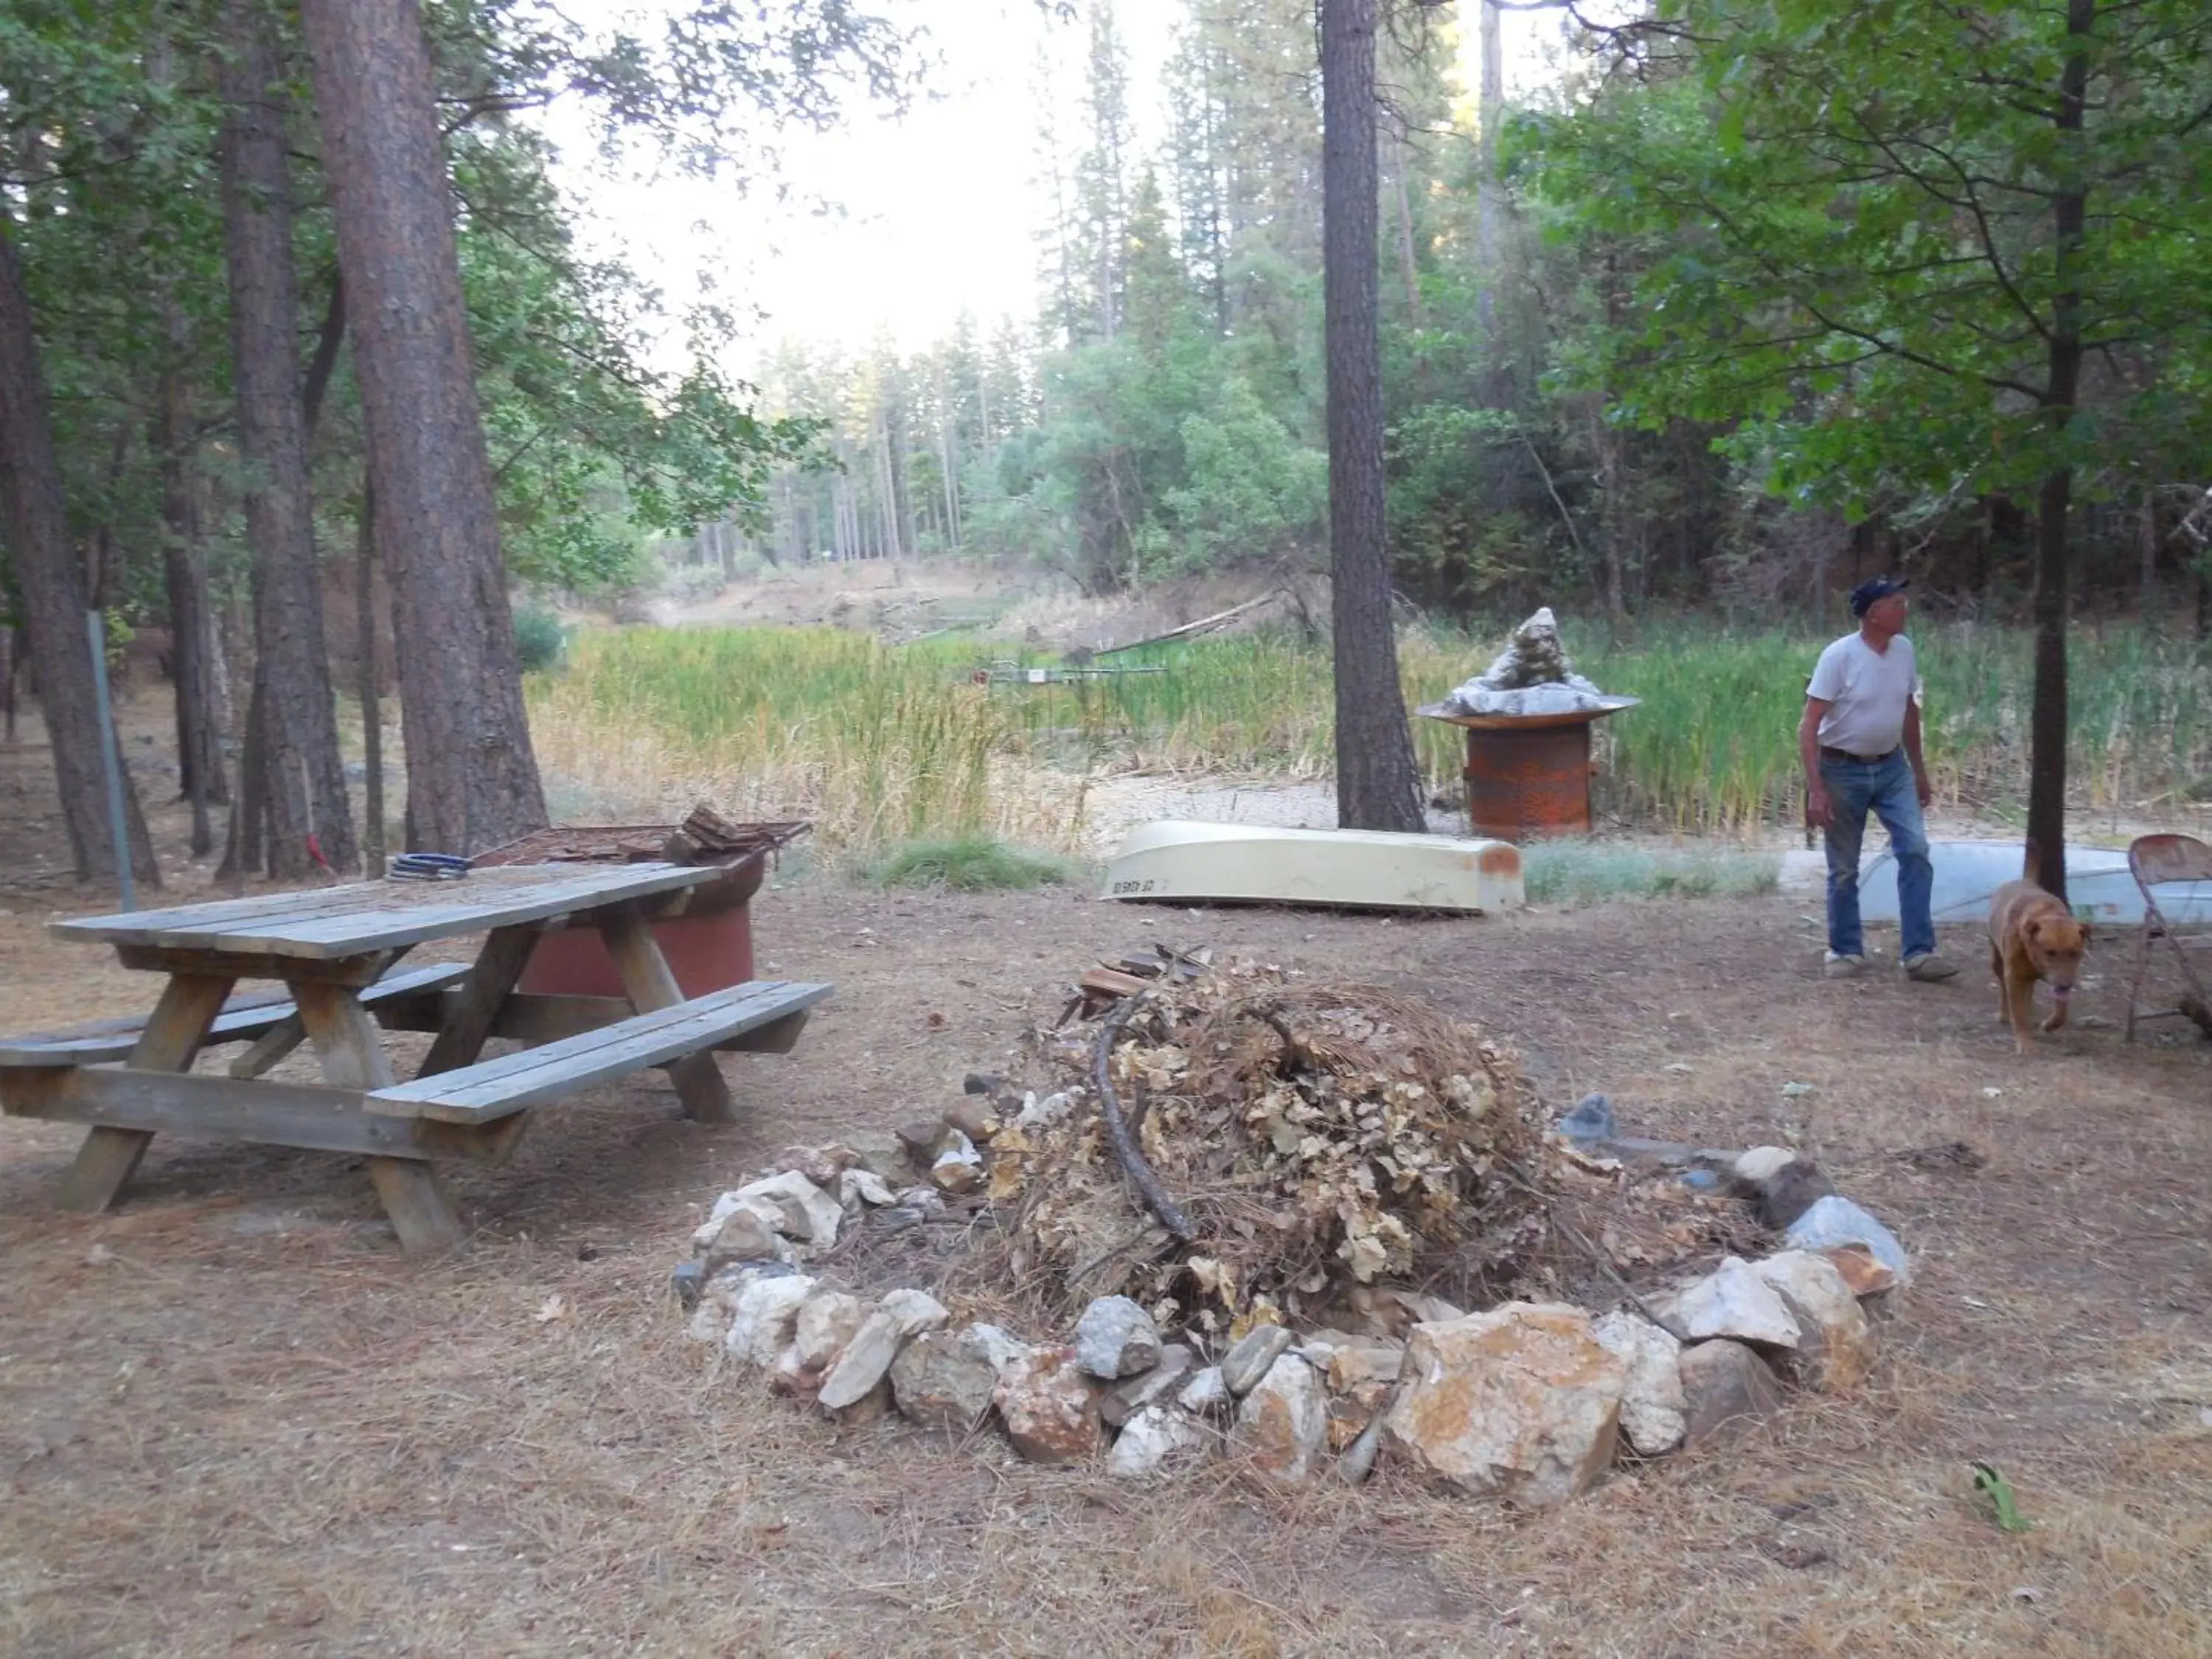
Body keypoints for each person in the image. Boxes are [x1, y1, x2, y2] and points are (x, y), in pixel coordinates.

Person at [1799, 577, 1958, 982]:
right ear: (1873, 613)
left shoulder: (1904, 650)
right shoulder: (1839, 657)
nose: (1904, 611)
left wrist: (1919, 771)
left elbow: (1909, 711)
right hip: (1841, 769)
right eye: (1896, 604)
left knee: (1916, 850)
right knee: (1844, 867)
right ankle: (1845, 950)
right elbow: (1809, 723)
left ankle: (1919, 953)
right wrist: (1816, 789)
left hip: (1892, 768)